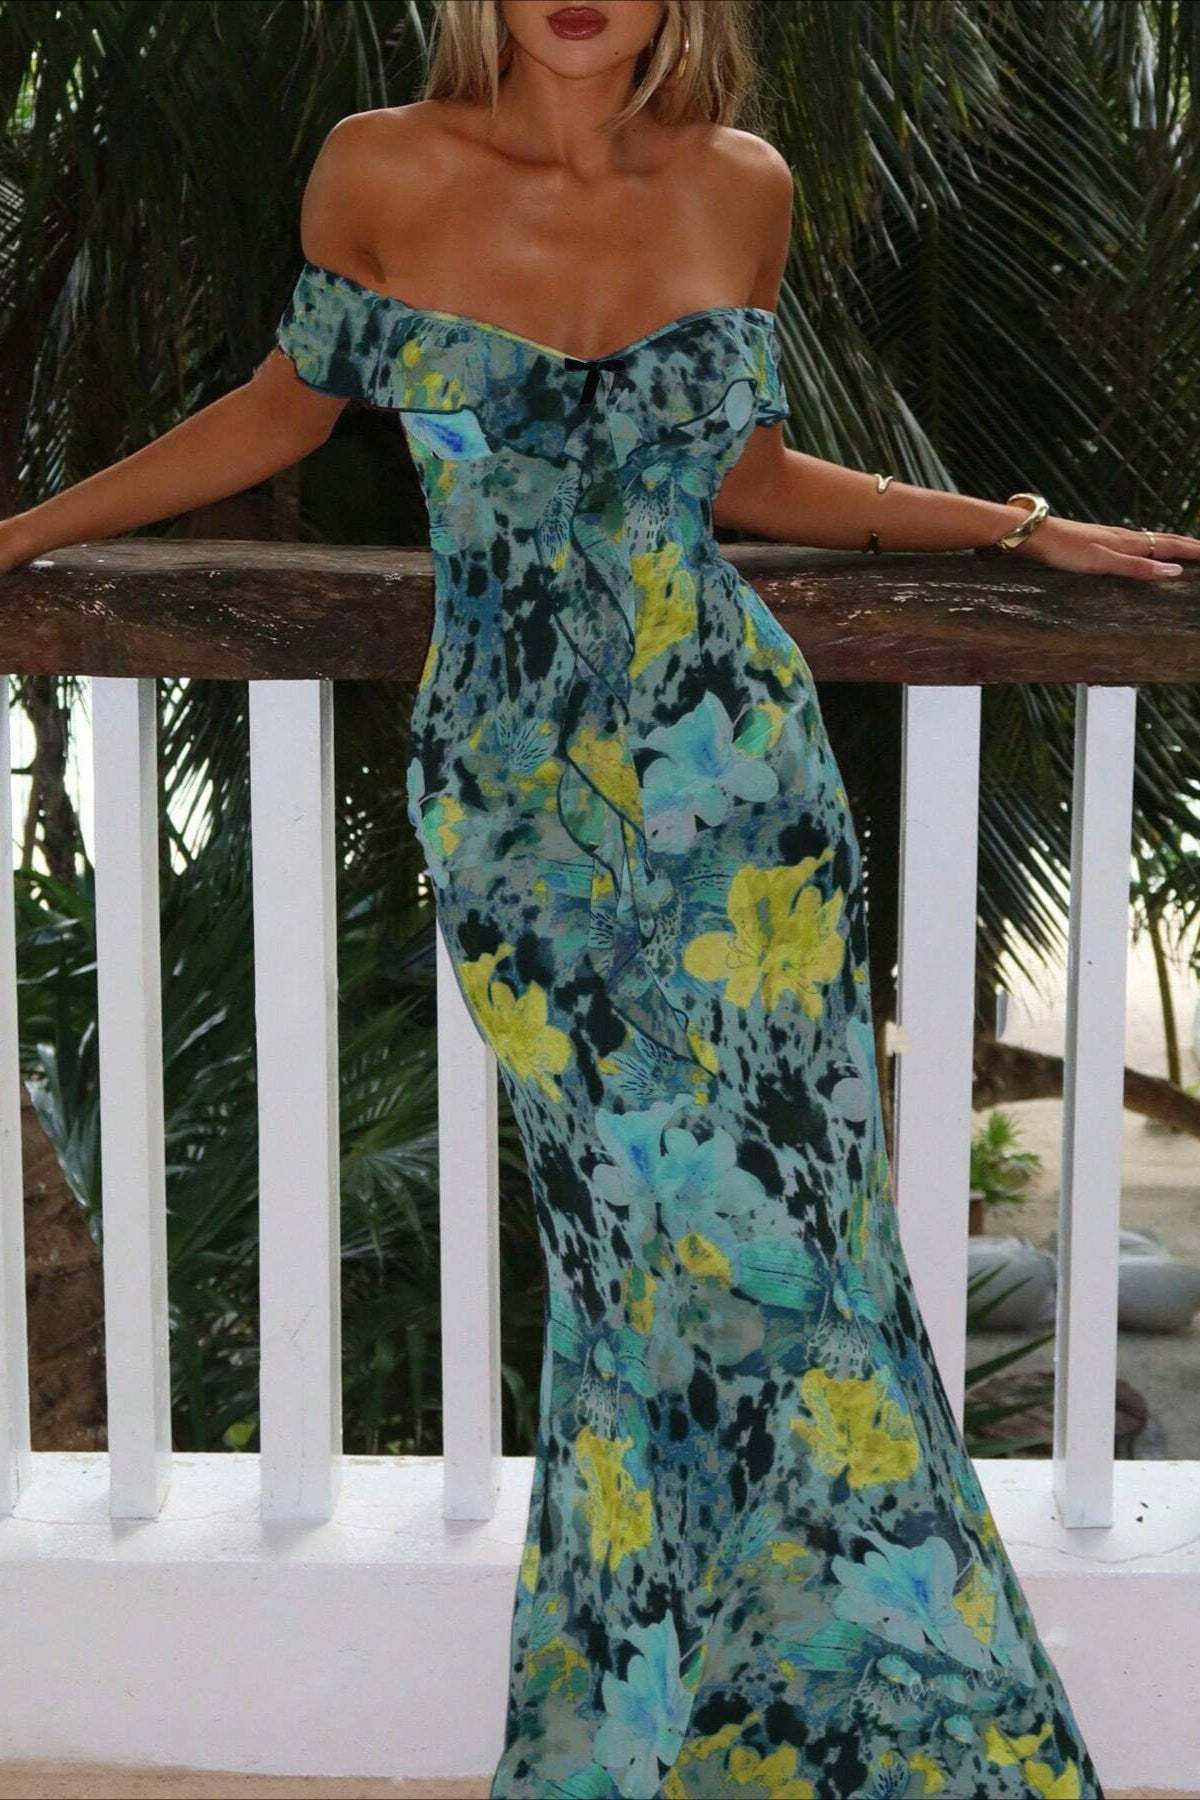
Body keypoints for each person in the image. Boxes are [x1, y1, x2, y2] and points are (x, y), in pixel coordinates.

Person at [2, 4, 1195, 1794]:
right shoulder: (379, 169)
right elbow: (275, 410)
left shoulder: (741, 185)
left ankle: (849, 1742)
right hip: (518, 810)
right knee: (636, 1257)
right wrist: (18, 537)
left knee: (815, 1268)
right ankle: (648, 1738)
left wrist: (1015, 530)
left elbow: (752, 479)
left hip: (743, 791)